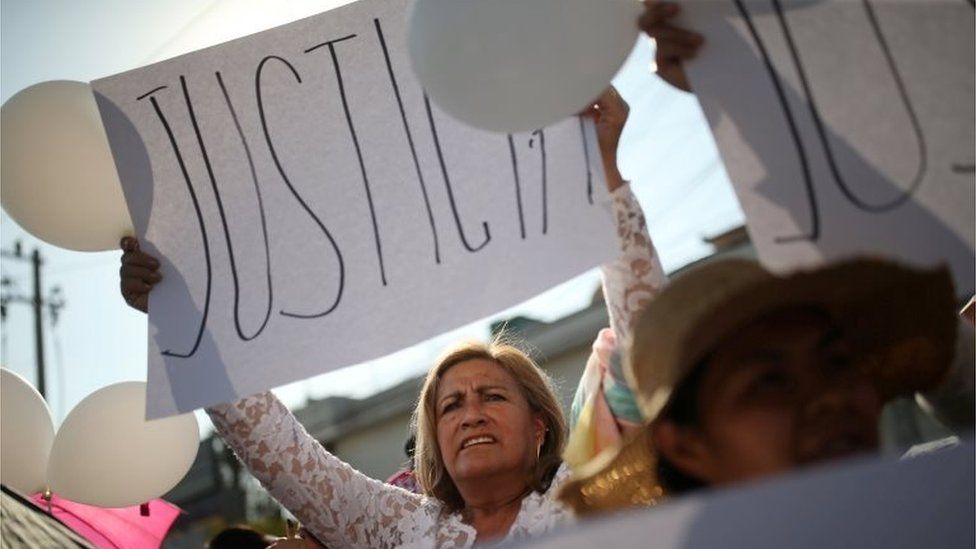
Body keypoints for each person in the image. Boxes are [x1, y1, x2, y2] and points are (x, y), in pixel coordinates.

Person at [119, 86, 669, 546]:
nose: (470, 414)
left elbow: (653, 351)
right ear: (434, 440)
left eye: (493, 396)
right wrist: (180, 311)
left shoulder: (593, 500)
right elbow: (280, 451)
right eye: (450, 405)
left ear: (540, 426)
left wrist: (606, 177)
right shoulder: (400, 529)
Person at [560, 257, 972, 514]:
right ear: (688, 447)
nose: (828, 396)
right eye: (769, 382)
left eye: (837, 362)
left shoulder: (946, 501)